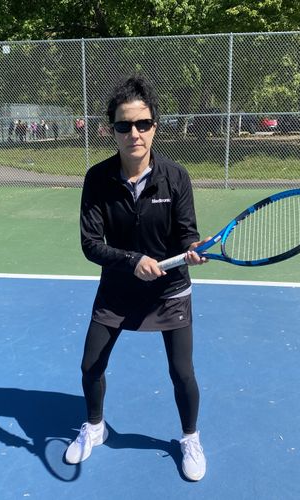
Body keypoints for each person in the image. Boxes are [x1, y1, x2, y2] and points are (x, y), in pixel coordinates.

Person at [66, 75, 208, 481]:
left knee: (182, 372)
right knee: (90, 365)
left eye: (143, 124)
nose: (134, 133)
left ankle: (190, 438)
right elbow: (91, 244)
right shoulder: (97, 179)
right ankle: (95, 427)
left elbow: (186, 233)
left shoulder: (176, 177)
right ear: (111, 130)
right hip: (118, 289)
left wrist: (192, 247)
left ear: (154, 127)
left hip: (169, 291)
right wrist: (133, 261)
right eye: (124, 125)